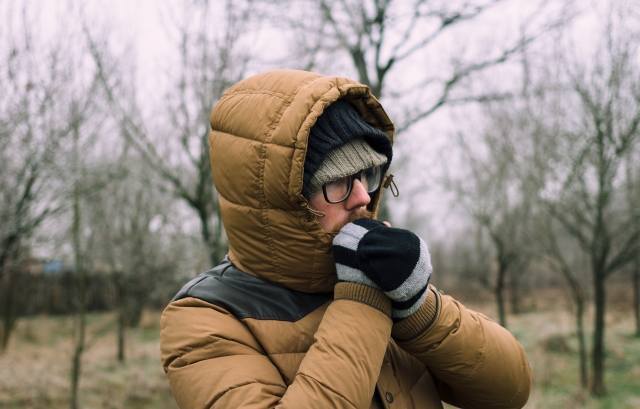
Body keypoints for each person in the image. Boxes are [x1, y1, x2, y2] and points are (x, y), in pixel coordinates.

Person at [160, 70, 531, 409]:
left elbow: (508, 392)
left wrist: (418, 308)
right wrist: (363, 300)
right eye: (336, 181)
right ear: (283, 201)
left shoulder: (376, 268)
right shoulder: (204, 317)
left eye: (366, 175)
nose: (363, 198)